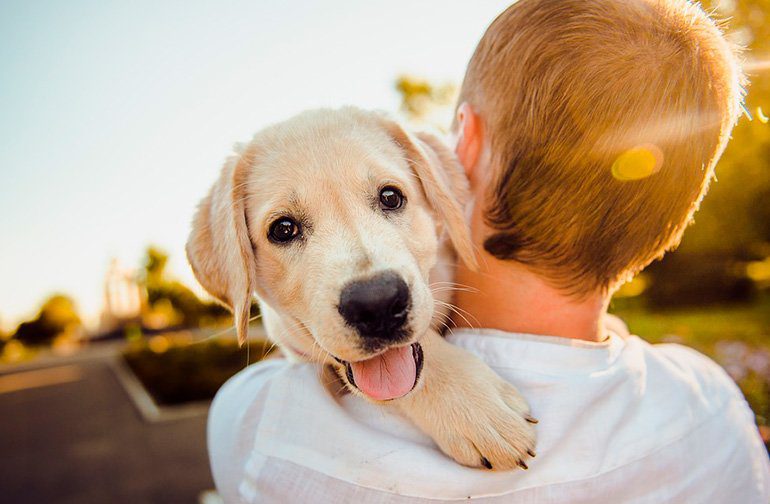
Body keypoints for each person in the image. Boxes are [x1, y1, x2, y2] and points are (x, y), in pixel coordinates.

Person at [207, 0, 770, 502]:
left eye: (388, 197)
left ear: (463, 148)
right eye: (286, 230)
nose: (371, 282)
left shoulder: (260, 427)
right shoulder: (715, 410)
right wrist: (432, 376)